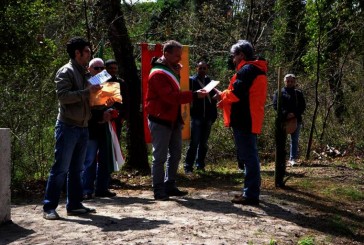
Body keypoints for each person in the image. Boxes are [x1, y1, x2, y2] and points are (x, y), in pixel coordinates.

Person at [43, 37, 101, 220]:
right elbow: (63, 97)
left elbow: (87, 97)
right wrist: (87, 92)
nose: (89, 56)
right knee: (60, 169)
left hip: (83, 127)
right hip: (67, 127)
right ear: (77, 53)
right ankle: (48, 208)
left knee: (77, 170)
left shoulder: (84, 73)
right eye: (87, 53)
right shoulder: (65, 71)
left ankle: (74, 205)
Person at [145, 40, 207, 200]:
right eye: (177, 55)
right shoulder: (158, 73)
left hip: (173, 119)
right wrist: (194, 95)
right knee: (159, 156)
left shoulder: (171, 70)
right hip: (160, 119)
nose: (180, 59)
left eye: (180, 55)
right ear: (166, 54)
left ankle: (169, 184)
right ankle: (158, 189)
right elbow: (169, 97)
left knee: (176, 153)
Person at [215, 40, 268, 206]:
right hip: (249, 118)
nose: (232, 59)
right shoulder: (254, 69)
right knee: (249, 156)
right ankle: (250, 192)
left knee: (249, 157)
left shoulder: (247, 70)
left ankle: (251, 194)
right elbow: (241, 95)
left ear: (241, 55)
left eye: (233, 55)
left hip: (245, 119)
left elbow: (236, 94)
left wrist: (222, 95)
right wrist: (224, 98)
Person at [82, 58, 117, 200]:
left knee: (105, 160)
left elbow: (115, 102)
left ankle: (102, 188)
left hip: (105, 128)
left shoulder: (109, 82)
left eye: (102, 68)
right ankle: (86, 189)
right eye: (96, 68)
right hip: (90, 128)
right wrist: (100, 115)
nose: (100, 71)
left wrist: (111, 112)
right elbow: (84, 107)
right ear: (89, 69)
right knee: (89, 160)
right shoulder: (85, 84)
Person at [184, 61, 218, 173]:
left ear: (207, 69)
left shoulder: (210, 82)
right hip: (196, 117)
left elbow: (213, 98)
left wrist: (214, 114)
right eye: (200, 68)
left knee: (203, 143)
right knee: (194, 143)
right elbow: (187, 96)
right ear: (196, 68)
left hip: (208, 117)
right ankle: (188, 166)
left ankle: (200, 165)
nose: (202, 70)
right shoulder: (191, 81)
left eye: (204, 68)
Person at [273, 73, 306, 166]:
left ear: (294, 82)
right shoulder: (278, 92)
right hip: (283, 120)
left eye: (292, 81)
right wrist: (285, 114)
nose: (290, 83)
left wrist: (294, 114)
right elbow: (276, 105)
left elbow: (302, 106)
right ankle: (280, 160)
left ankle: (293, 159)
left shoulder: (298, 93)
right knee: (281, 140)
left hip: (296, 119)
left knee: (294, 140)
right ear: (284, 82)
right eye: (288, 81)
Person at [105, 59, 129, 140]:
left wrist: (123, 117)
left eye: (115, 68)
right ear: (106, 69)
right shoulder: (100, 81)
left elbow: (126, 100)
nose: (113, 70)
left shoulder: (121, 82)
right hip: (102, 116)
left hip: (117, 117)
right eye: (111, 68)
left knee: (115, 140)